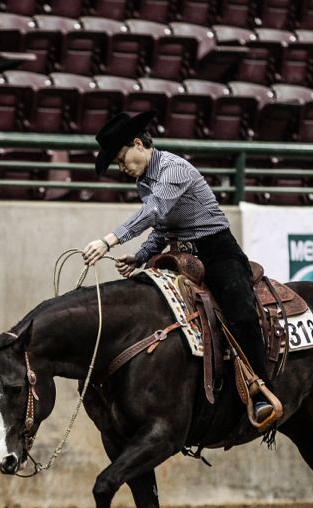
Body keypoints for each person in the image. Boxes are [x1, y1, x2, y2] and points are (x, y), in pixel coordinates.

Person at [81, 111, 275, 424]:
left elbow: (154, 211)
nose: (122, 168)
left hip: (217, 251)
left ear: (137, 144)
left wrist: (108, 241)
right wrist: (141, 256)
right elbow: (162, 225)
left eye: (121, 159)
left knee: (240, 313)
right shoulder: (145, 180)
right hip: (181, 255)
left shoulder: (174, 169)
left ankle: (261, 387)